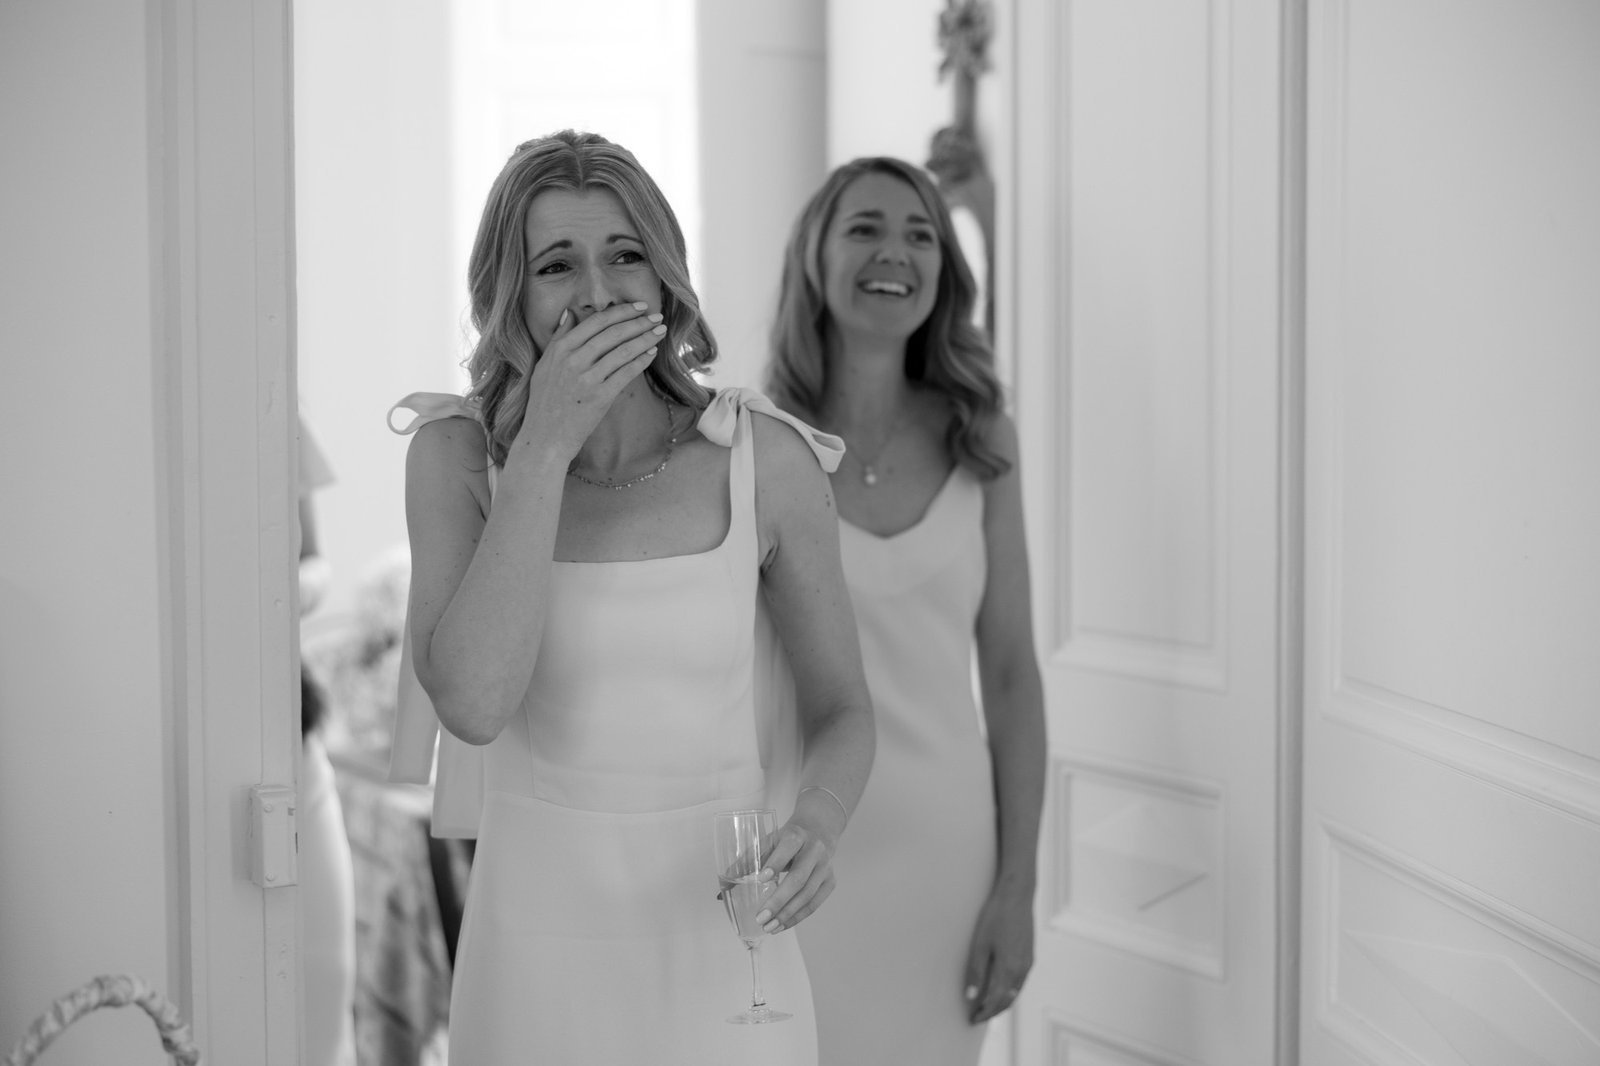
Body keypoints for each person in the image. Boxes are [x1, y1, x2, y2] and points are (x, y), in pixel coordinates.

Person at [388, 129, 875, 1065]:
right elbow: (474, 706)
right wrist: (543, 446)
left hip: (727, 941)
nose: (598, 293)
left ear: (663, 277)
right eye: (556, 266)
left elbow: (845, 706)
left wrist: (817, 822)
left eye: (625, 256)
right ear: (510, 295)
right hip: (534, 955)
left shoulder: (764, 459)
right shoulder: (454, 459)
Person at [767, 156, 1047, 1066]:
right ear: (815, 256)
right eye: (866, 228)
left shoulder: (983, 438)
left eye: (921, 234)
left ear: (943, 272)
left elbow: (1012, 675)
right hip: (801, 857)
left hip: (947, 866)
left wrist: (1018, 887)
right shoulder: (758, 442)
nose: (895, 252)